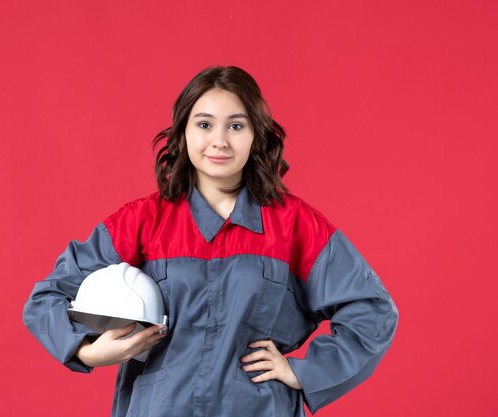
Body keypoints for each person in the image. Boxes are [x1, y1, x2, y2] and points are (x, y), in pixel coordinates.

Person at [23, 66, 399, 417]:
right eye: (204, 124)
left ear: (257, 135)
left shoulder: (296, 225)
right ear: (183, 133)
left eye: (236, 126)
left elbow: (373, 313)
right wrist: (88, 353)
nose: (219, 141)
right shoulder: (142, 222)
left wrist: (305, 372)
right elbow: (48, 297)